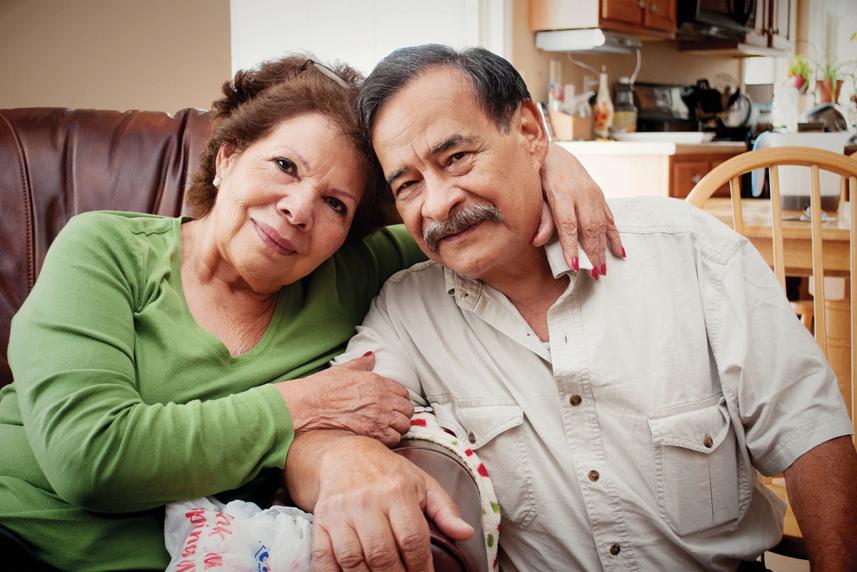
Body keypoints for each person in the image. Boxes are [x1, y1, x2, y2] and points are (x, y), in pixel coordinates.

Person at [0, 55, 621, 570]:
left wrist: (547, 162)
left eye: (336, 204)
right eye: (284, 166)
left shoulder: (346, 273)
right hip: (17, 527)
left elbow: (461, 214)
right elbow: (91, 458)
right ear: (227, 158)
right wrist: (302, 405)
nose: (299, 209)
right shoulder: (105, 249)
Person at [284, 45, 857, 571]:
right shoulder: (410, 311)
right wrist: (343, 460)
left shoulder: (688, 252)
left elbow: (809, 433)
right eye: (407, 185)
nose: (437, 203)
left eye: (457, 157)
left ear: (531, 132)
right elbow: (321, 430)